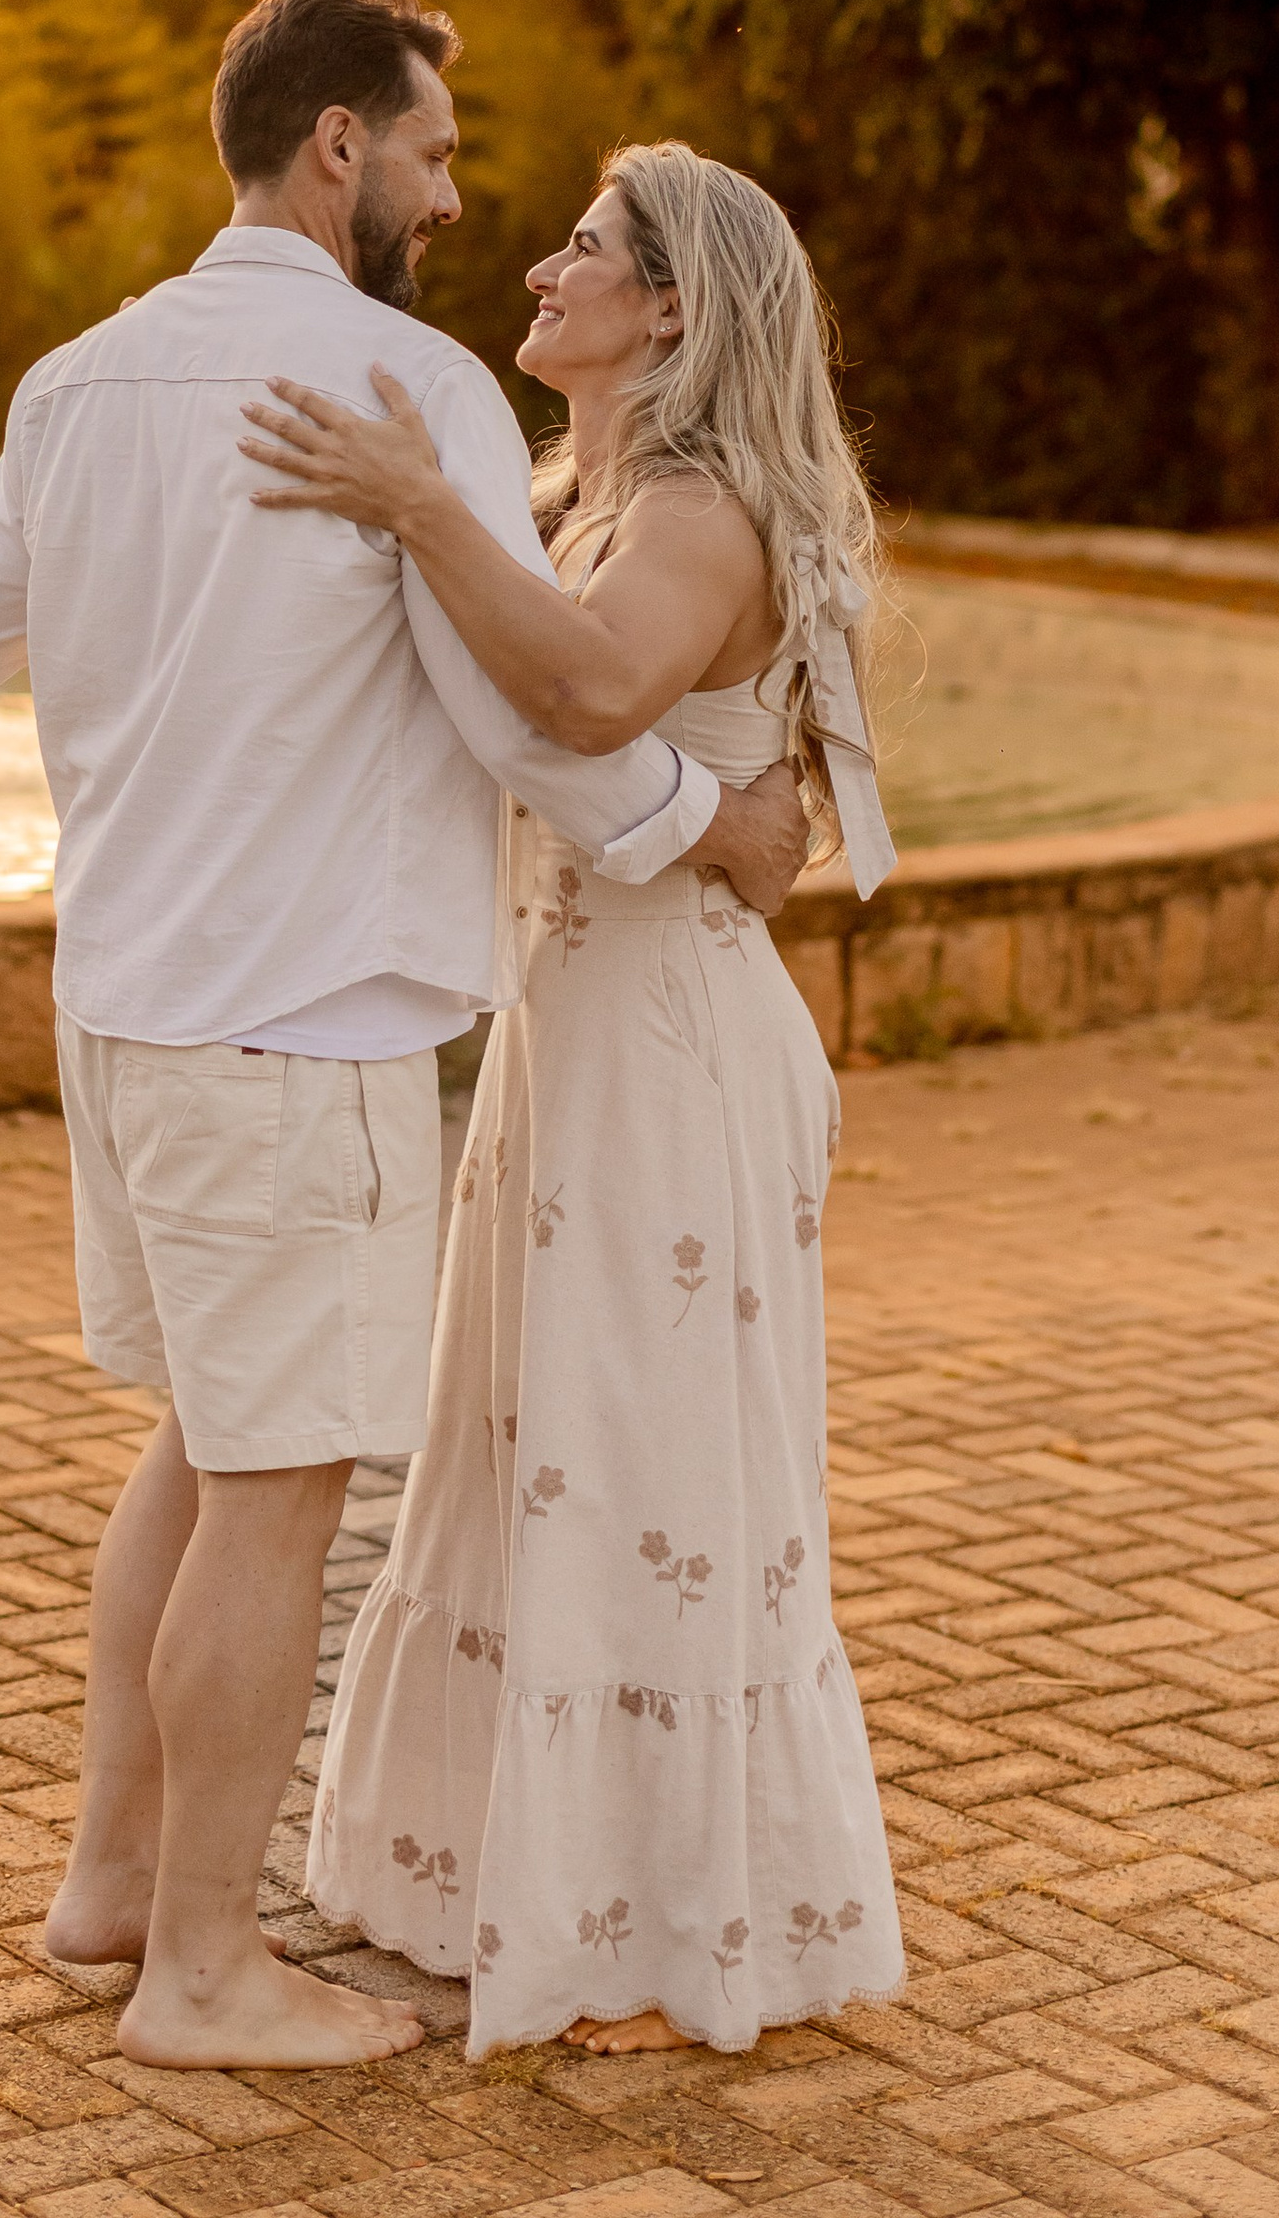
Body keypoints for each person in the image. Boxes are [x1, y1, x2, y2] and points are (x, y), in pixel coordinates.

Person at [0, 0, 811, 2073]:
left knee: (207, 1449)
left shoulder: (77, 380)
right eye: (424, 150)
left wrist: (153, 596)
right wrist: (723, 825)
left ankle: (112, 1882)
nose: (449, 190)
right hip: (298, 1028)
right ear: (333, 148)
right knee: (283, 1483)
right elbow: (540, 721)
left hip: (122, 1018)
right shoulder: (402, 387)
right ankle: (205, 1974)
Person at [243, 140, 905, 2059]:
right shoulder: (571, 493)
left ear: (674, 307)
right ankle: (535, 1882)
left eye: (590, 251)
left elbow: (602, 692)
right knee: (538, 1453)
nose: (542, 265)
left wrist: (411, 497)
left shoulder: (698, 507)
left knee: (646, 1471)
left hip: (673, 1059)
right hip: (565, 1036)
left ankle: (670, 1930)